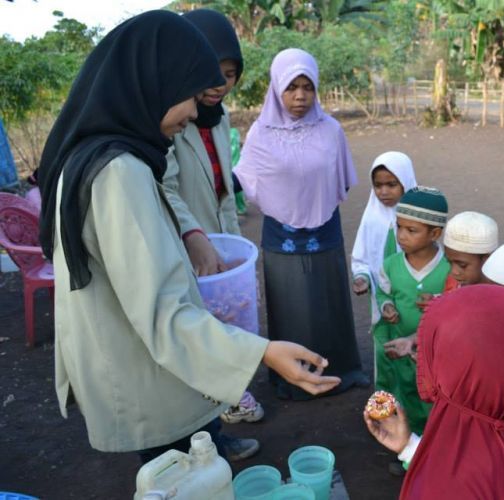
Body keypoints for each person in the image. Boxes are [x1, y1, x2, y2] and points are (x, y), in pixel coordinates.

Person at [36, 11, 339, 461]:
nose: (197, 111)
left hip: (135, 361)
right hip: (144, 375)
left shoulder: (91, 153)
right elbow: (163, 314)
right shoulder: (119, 173)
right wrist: (262, 352)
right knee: (180, 471)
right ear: (154, 83)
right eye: (188, 95)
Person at [233, 48, 368, 401]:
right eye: (292, 87)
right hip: (282, 235)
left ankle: (342, 369)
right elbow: (246, 177)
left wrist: (312, 199)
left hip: (325, 228)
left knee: (330, 301)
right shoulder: (261, 133)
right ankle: (290, 378)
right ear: (277, 87)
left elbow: (341, 179)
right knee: (290, 304)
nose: (300, 96)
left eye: (308, 87)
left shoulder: (331, 130)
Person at [364, 285, 504, 499]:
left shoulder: (457, 486)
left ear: (463, 372)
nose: (423, 355)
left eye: (438, 348)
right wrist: (409, 446)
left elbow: (452, 483)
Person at [162, 8, 263, 426]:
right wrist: (195, 235)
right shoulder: (170, 119)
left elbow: (225, 194)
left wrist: (235, 245)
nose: (222, 85)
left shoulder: (218, 122)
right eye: (212, 73)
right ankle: (211, 414)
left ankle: (225, 406)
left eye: (230, 74)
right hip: (185, 244)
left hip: (218, 245)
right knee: (194, 331)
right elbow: (164, 187)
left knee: (226, 320)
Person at [375, 186, 449, 436]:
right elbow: (383, 292)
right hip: (401, 350)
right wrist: (387, 306)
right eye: (399, 227)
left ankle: (434, 442)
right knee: (407, 391)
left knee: (434, 396)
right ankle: (411, 442)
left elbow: (460, 299)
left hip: (436, 351)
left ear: (435, 233)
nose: (401, 236)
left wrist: (440, 300)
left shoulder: (450, 268)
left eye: (411, 230)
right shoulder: (391, 265)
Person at [384, 210, 498, 361]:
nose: (454, 272)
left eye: (462, 265)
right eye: (450, 263)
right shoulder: (457, 285)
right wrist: (413, 340)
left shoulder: (499, 298)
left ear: (487, 259)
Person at [351, 151, 417, 322]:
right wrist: (362, 277)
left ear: (405, 182)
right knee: (383, 336)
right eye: (378, 185)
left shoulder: (417, 218)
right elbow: (361, 257)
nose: (384, 192)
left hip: (412, 291)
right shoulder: (371, 218)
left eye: (391, 184)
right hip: (380, 294)